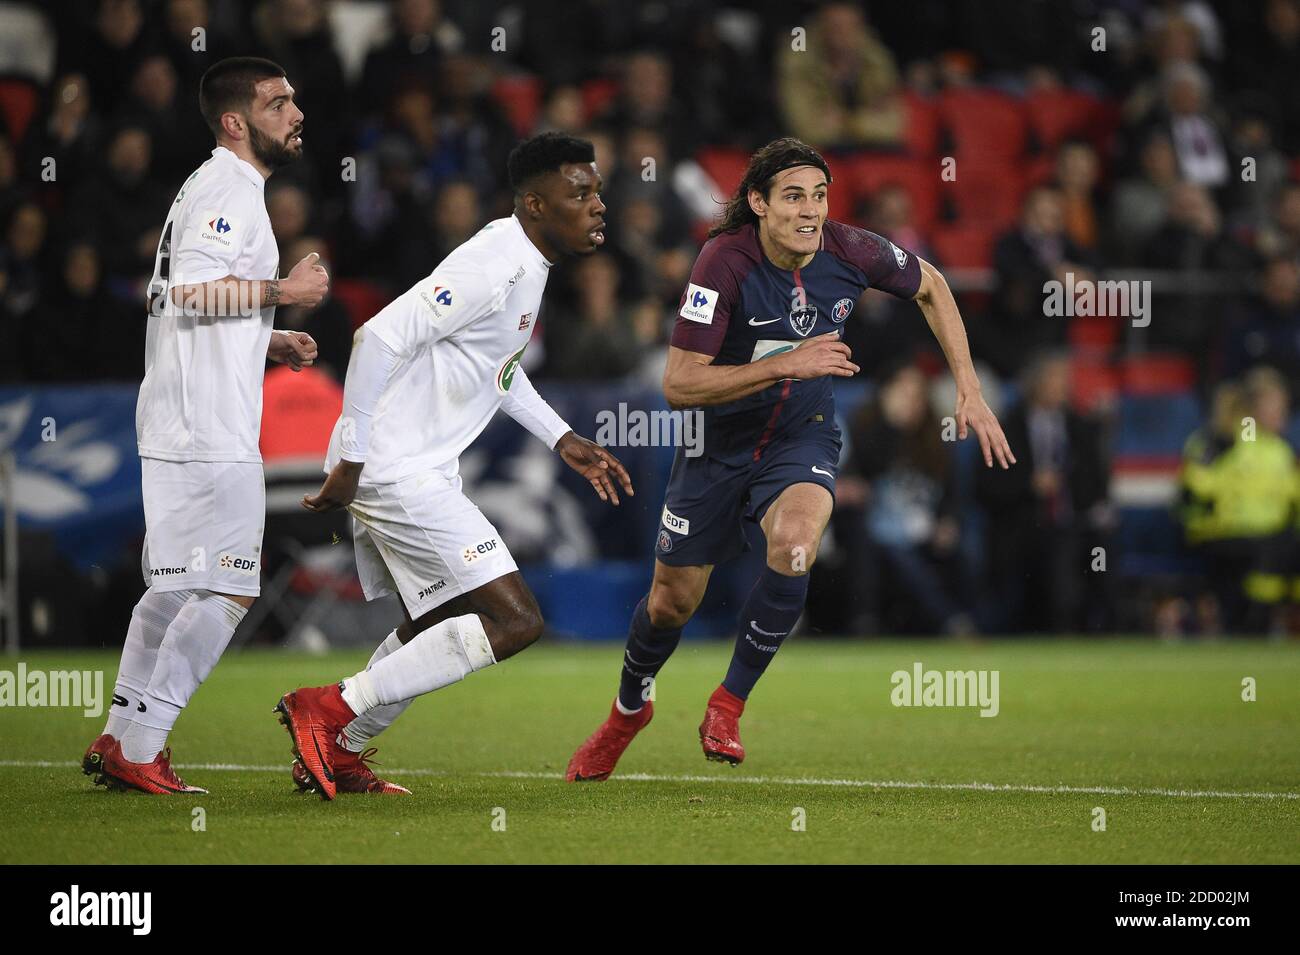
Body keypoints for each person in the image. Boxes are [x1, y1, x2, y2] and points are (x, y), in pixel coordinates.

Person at [566, 137, 1014, 781]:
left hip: (800, 437)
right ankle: (627, 710)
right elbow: (679, 384)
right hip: (715, 448)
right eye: (794, 197)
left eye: (821, 196)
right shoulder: (723, 262)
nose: (811, 211)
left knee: (797, 544)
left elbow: (934, 286)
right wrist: (789, 362)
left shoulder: (851, 250)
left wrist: (968, 389)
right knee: (670, 604)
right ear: (758, 203)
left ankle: (728, 703)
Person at [274, 133, 634, 799]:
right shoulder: (496, 263)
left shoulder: (525, 262)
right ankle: (327, 708)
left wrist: (560, 437)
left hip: (415, 463)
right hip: (390, 461)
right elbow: (376, 335)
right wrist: (351, 459)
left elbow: (496, 368)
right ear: (534, 203)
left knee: (437, 619)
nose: (597, 205)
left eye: (597, 190)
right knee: (516, 620)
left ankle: (341, 749)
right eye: (579, 192)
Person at [84, 57, 327, 794]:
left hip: (181, 414)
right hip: (205, 426)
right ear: (235, 121)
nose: (295, 113)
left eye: (293, 99)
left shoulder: (211, 182)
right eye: (278, 102)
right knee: (228, 591)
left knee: (172, 588)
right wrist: (283, 291)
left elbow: (177, 294)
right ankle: (145, 742)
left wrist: (266, 333)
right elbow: (191, 292)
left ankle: (120, 732)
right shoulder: (229, 186)